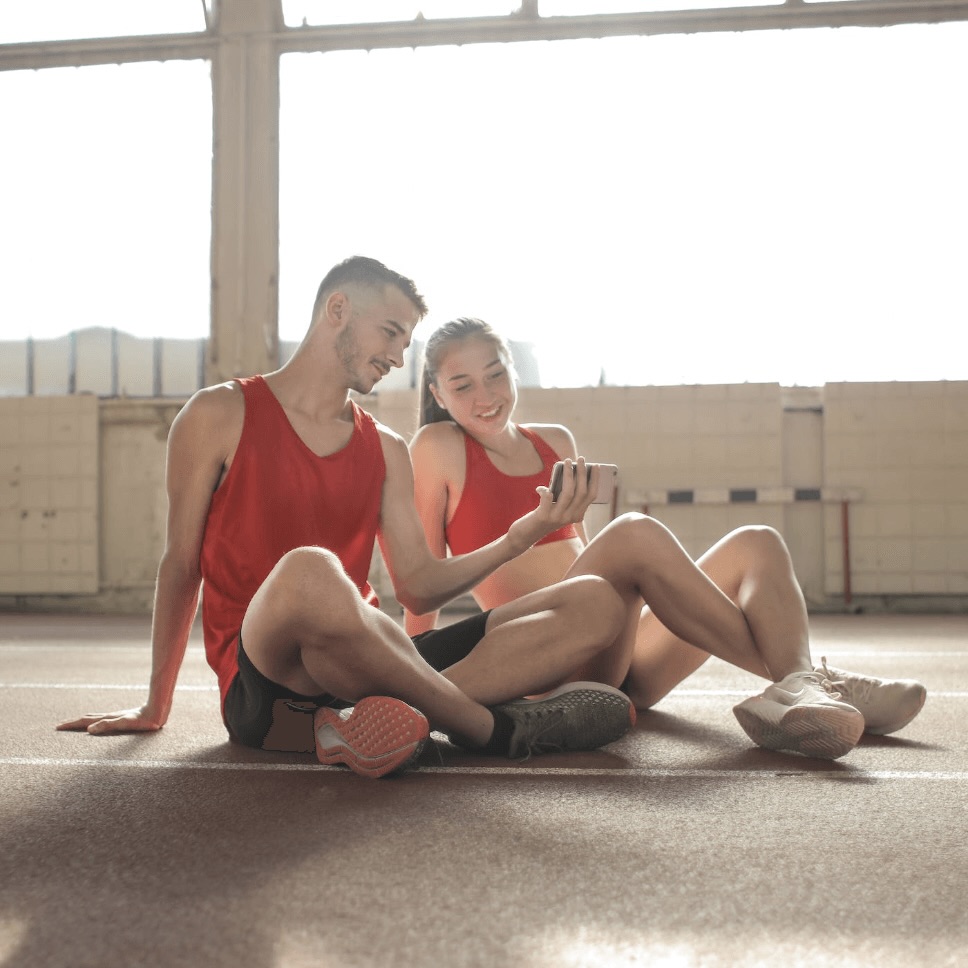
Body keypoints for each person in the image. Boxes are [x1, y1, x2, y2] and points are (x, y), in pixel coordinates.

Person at [56, 258, 638, 779]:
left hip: (369, 665)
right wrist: (155, 705)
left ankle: (384, 721)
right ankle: (489, 729)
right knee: (310, 571)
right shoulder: (217, 413)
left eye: (406, 342)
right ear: (338, 310)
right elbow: (182, 564)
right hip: (270, 686)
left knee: (594, 600)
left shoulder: (385, 447)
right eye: (391, 332)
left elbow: (417, 586)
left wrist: (521, 536)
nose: (398, 357)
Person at [406, 317, 927, 760]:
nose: (485, 396)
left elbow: (585, 559)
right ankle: (814, 680)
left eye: (495, 374)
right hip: (552, 658)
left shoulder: (555, 441)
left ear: (512, 370)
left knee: (759, 542)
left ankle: (801, 683)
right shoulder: (438, 445)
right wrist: (409, 663)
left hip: (621, 655)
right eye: (462, 385)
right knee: (633, 533)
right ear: (437, 394)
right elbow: (420, 586)